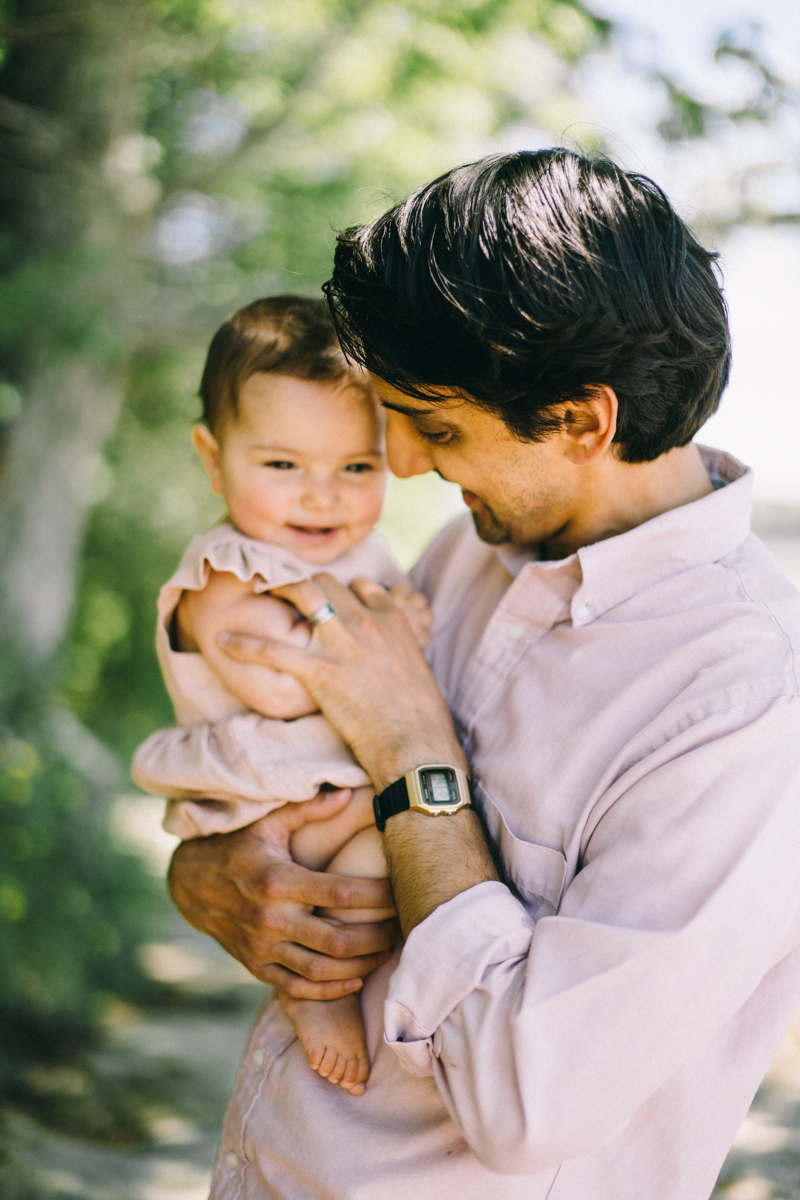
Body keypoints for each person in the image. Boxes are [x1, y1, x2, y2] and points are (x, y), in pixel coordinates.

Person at [168, 151, 800, 1200]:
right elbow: (292, 777)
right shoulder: (471, 549)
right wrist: (207, 880)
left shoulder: (745, 704)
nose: (405, 463)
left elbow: (525, 1107)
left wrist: (414, 757)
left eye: (439, 426)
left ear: (582, 421)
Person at [133, 295, 432, 1095]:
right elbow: (277, 685)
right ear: (212, 457)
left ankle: (360, 991)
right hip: (273, 803)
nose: (321, 496)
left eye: (356, 468)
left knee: (393, 859)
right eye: (282, 465)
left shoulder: (367, 556)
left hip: (346, 792)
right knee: (350, 890)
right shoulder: (226, 570)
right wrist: (391, 636)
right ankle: (316, 993)